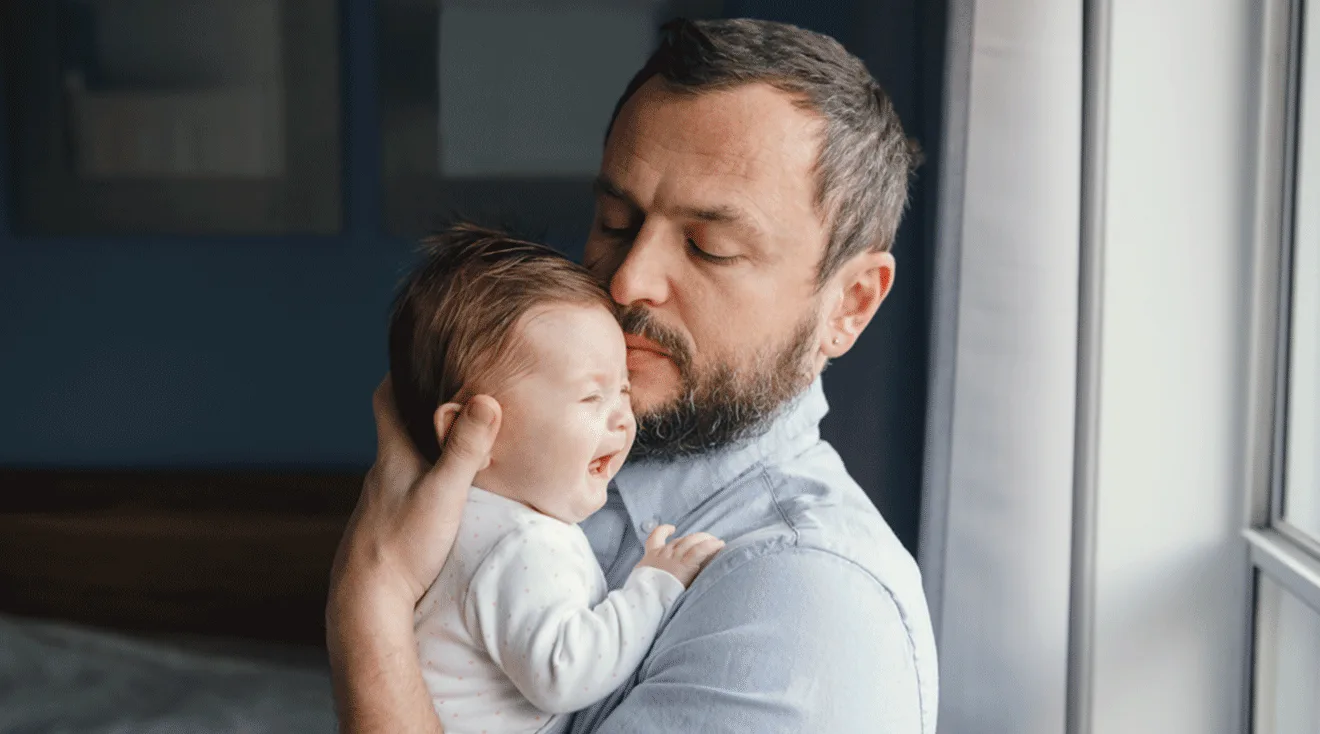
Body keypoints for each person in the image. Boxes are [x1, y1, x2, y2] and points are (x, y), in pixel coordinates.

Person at [328, 17, 938, 733]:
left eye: (709, 247)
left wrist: (369, 598)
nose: (626, 281)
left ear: (850, 303)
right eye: (616, 221)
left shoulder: (809, 610)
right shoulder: (532, 464)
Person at [389, 224, 724, 733]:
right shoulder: (523, 543)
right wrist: (654, 586)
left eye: (624, 390)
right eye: (591, 397)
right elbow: (563, 672)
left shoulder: (450, 520)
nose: (623, 418)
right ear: (469, 432)